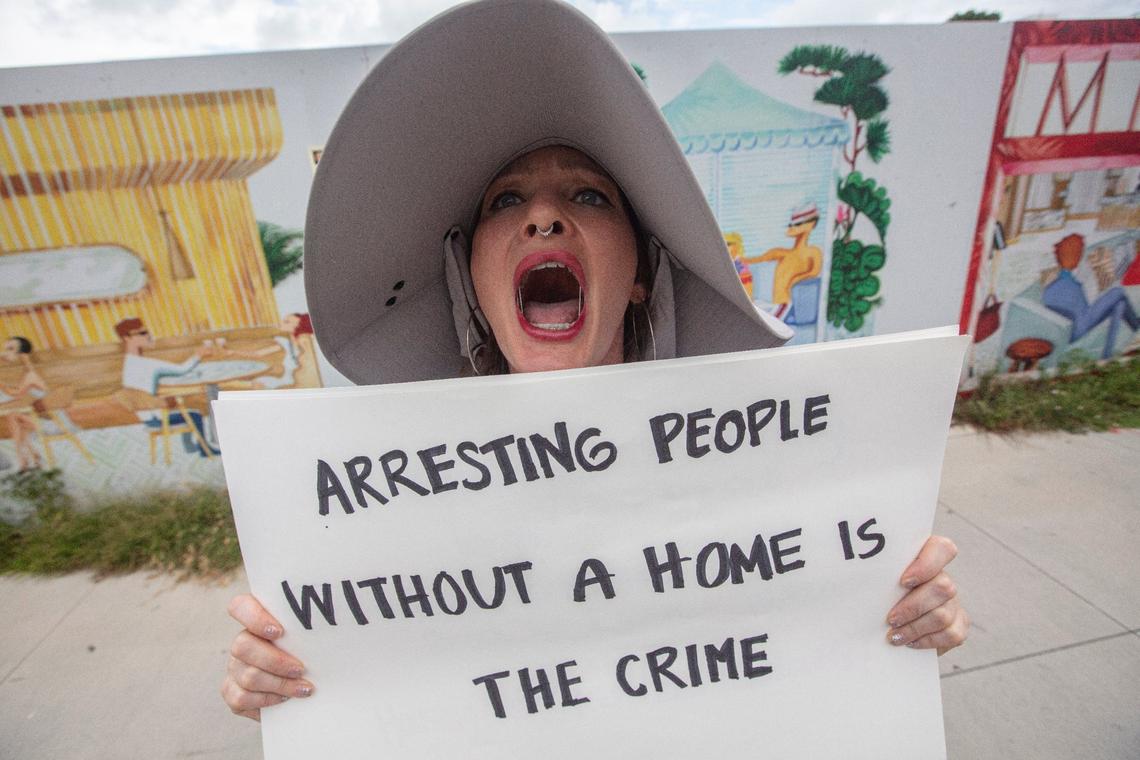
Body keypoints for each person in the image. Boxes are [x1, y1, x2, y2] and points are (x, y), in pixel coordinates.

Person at [221, 0, 967, 721]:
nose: (544, 216)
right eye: (505, 202)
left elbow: (811, 666)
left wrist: (896, 619)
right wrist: (294, 686)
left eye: (589, 195)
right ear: (472, 281)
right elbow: (382, 693)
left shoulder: (771, 484)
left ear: (639, 274)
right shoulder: (377, 516)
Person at [114, 317, 219, 457]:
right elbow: (181, 370)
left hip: (146, 415)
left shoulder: (130, 363)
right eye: (142, 333)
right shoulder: (145, 364)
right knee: (195, 414)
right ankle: (205, 450)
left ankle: (189, 447)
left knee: (184, 407)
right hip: (156, 417)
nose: (148, 336)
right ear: (127, 338)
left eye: (147, 331)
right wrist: (198, 355)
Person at [1042, 233, 1139, 344]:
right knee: (1117, 293)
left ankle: (1129, 332)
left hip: (1068, 329)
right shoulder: (1070, 285)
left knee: (1119, 302)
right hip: (1077, 330)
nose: (1080, 255)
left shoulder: (1054, 285)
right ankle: (1136, 326)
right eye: (1079, 252)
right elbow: (1083, 313)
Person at [1, 336, 47, 471]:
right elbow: (18, 393)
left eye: (10, 349)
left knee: (13, 417)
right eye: (6, 349)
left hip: (48, 422)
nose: (5, 353)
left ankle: (24, 460)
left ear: (22, 354)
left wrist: (2, 386)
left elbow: (15, 395)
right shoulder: (29, 373)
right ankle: (30, 457)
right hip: (38, 417)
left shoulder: (30, 374)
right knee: (14, 417)